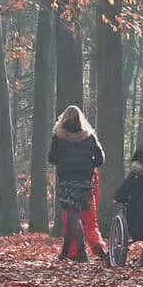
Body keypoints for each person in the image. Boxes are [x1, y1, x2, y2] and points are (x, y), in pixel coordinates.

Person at [49, 107, 106, 262]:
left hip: (66, 179)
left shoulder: (59, 137)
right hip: (85, 180)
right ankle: (66, 252)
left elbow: (52, 158)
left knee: (72, 215)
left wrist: (63, 161)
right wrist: (89, 164)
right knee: (75, 215)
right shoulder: (89, 137)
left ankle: (80, 252)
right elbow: (100, 159)